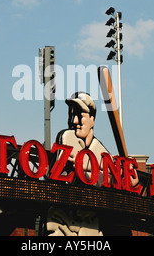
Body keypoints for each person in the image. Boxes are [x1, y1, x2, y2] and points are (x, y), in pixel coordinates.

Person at [46, 92, 109, 236]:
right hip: (63, 219)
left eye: (80, 115)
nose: (74, 121)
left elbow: (118, 179)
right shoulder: (67, 138)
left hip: (90, 223)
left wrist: (128, 174)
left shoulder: (100, 150)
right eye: (71, 115)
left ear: (92, 120)